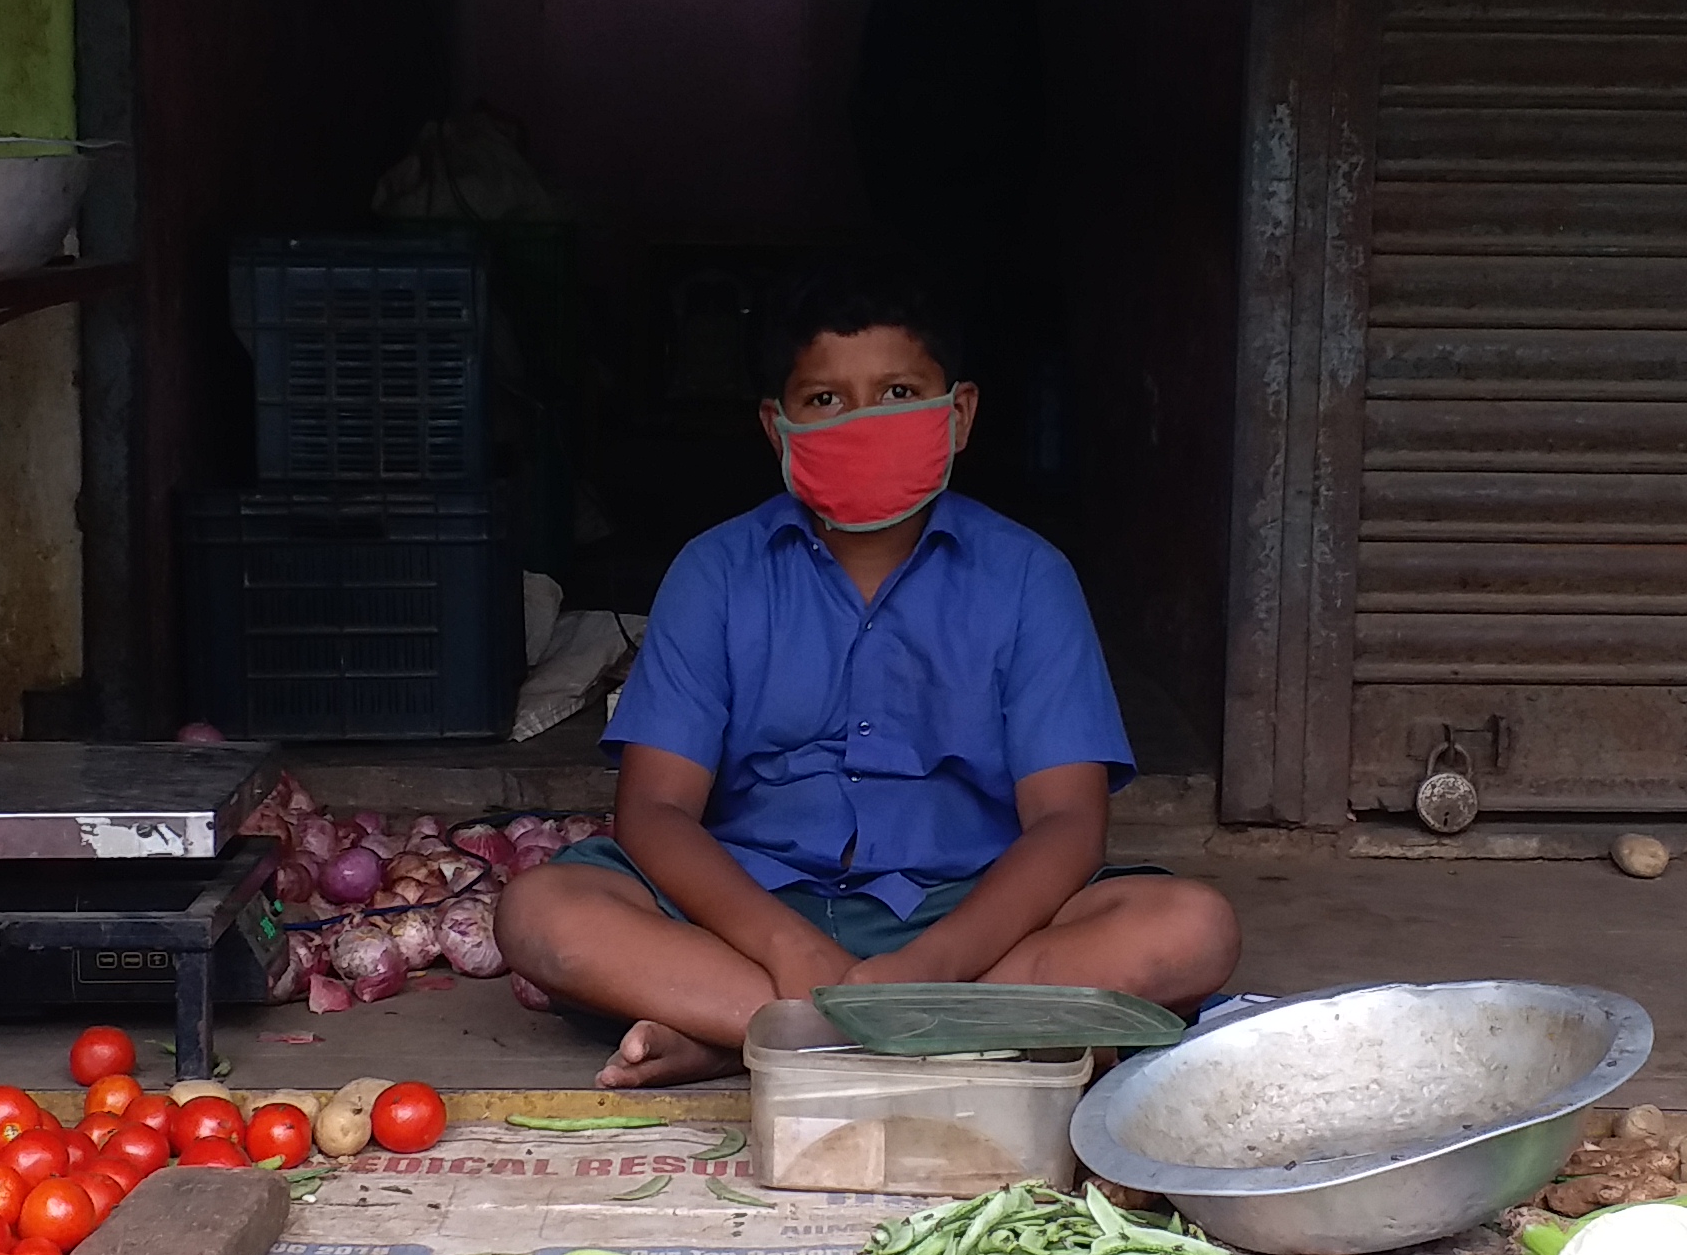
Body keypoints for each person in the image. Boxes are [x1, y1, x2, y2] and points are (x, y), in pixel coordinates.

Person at [498, 280, 1243, 1087]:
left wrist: (935, 961)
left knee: (1189, 928)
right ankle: (921, 1038)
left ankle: (755, 1037)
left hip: (967, 910)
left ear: (957, 414)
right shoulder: (714, 572)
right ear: (774, 428)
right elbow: (655, 809)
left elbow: (1066, 821)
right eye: (825, 398)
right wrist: (787, 945)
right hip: (748, 914)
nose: (863, 420)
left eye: (898, 393)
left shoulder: (1028, 576)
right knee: (541, 913)